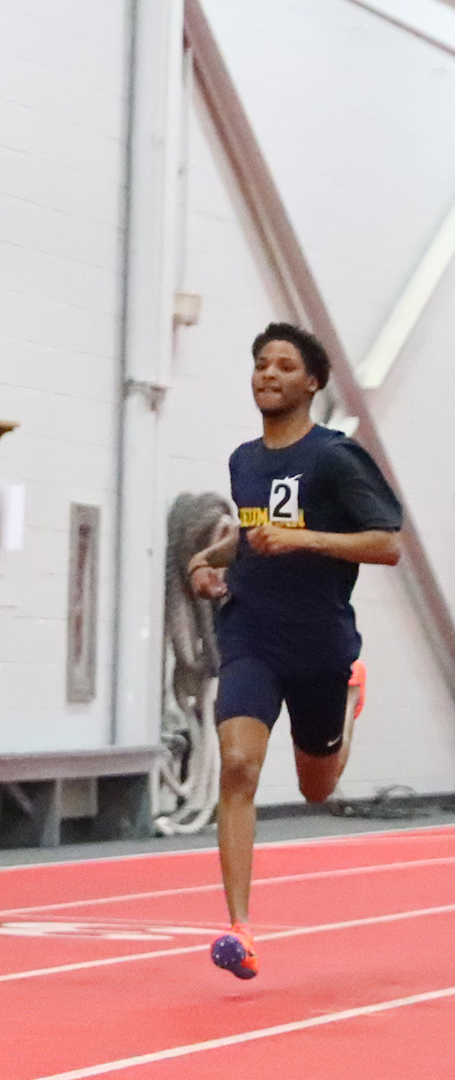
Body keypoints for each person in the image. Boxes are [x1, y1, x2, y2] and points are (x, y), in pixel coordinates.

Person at [187, 322, 402, 979]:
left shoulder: (335, 458)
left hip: (319, 644)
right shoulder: (243, 461)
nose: (268, 374)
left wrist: (305, 538)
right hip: (251, 634)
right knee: (238, 767)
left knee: (317, 789)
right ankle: (240, 930)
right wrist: (206, 559)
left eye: (284, 365)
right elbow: (251, 535)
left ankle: (348, 700)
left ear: (312, 382)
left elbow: (386, 543)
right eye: (261, 363)